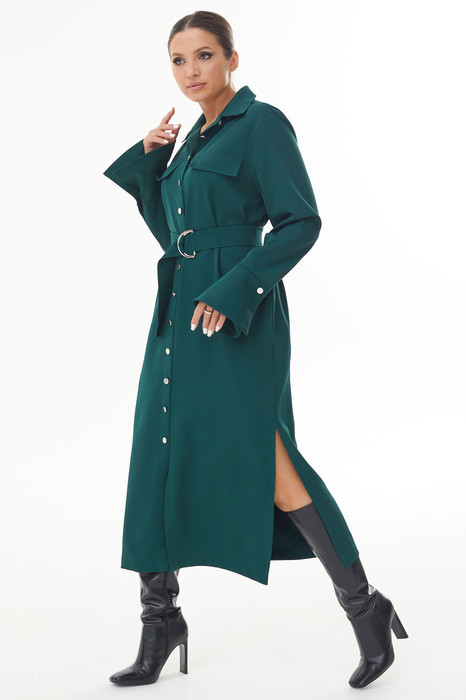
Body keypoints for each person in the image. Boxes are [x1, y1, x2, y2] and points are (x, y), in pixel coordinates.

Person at [103, 9, 408, 690]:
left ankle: (366, 607)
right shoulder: (189, 141)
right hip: (180, 313)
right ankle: (160, 621)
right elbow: (174, 236)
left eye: (204, 56)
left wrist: (236, 288)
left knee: (269, 462)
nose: (191, 71)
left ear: (232, 59)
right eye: (178, 60)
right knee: (158, 454)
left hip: (237, 314)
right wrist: (150, 162)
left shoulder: (262, 124)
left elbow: (301, 222)